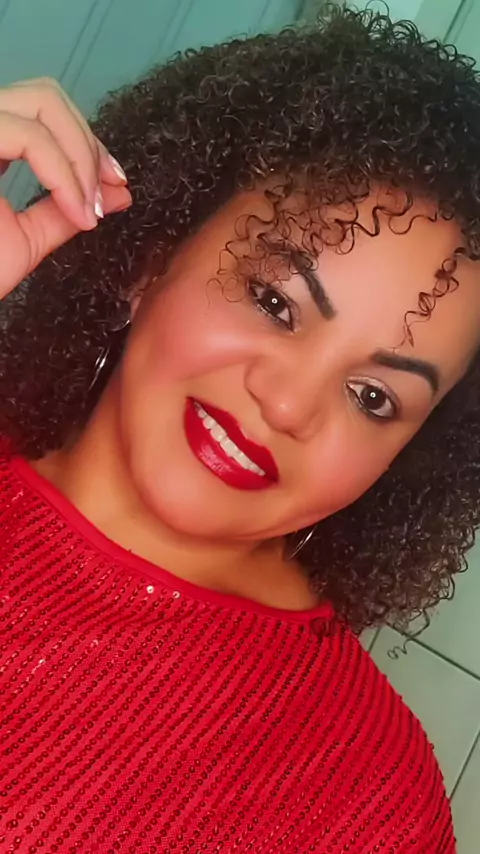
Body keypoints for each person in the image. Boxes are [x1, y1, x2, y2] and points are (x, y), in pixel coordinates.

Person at [0, 4, 479, 851]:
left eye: (373, 397)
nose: (288, 405)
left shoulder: (365, 798)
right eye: (275, 302)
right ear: (155, 256)